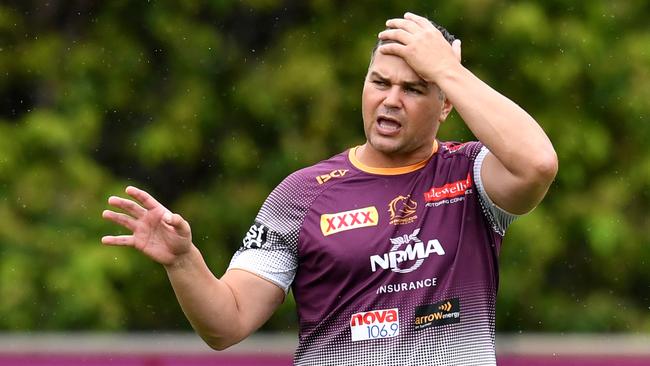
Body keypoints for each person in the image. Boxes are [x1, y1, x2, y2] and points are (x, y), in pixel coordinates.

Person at [102, 12, 558, 365]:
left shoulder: (470, 173)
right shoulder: (301, 193)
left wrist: (447, 71)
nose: (391, 100)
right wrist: (184, 261)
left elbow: (537, 163)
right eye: (379, 82)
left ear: (445, 106)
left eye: (415, 89)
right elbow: (227, 323)